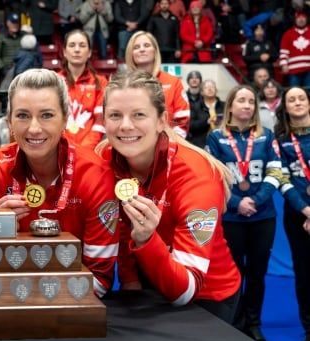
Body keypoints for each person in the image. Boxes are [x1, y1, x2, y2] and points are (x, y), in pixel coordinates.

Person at [97, 69, 241, 323]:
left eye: (139, 114)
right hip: (149, 285)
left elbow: (186, 290)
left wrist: (146, 240)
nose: (125, 125)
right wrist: (130, 281)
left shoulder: (197, 176)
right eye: (115, 115)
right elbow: (118, 224)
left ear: (162, 120)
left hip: (206, 294)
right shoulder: (105, 158)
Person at [0, 68, 118, 297]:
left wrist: (27, 294)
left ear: (65, 119)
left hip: (72, 316)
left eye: (47, 115)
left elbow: (99, 279)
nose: (34, 128)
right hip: (6, 308)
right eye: (22, 115)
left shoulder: (96, 175)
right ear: (9, 120)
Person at [206, 85, 282, 341]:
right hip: (232, 218)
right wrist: (238, 202)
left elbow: (276, 172)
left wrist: (256, 201)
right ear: (230, 105)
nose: (247, 105)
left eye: (251, 101)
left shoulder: (267, 135)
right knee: (235, 272)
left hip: (263, 217)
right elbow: (214, 177)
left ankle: (254, 324)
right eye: (242, 100)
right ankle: (235, 324)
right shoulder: (216, 137)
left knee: (258, 274)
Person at [275, 86, 310, 341]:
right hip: (298, 216)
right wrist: (306, 211)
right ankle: (309, 329)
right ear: (285, 107)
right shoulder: (280, 140)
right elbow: (283, 178)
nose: (297, 102)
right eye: (291, 100)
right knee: (304, 273)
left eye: (301, 98)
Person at [125, 31, 190, 137]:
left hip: (168, 145)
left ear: (155, 51)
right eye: (136, 47)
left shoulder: (173, 82)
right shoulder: (123, 85)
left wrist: (169, 145)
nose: (142, 49)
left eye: (146, 45)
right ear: (130, 54)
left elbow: (182, 120)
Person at [58, 29, 108, 149]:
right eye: (72, 45)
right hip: (60, 149)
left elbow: (100, 120)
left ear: (89, 52)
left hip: (89, 150)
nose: (77, 50)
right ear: (64, 52)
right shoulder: (54, 81)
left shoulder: (100, 82)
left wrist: (85, 149)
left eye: (82, 45)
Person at [188, 79, 223, 148]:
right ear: (202, 92)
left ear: (216, 90)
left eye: (212, 87)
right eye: (206, 87)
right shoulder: (195, 107)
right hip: (201, 143)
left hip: (222, 142)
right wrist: (206, 122)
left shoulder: (224, 106)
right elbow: (190, 126)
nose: (210, 89)